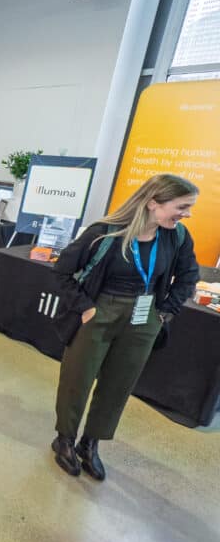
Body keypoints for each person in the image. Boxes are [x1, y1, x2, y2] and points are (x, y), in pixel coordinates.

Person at [50, 174, 199, 481]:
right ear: (153, 203)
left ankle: (90, 443)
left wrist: (165, 311)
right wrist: (85, 307)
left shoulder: (178, 237)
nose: (187, 214)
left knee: (119, 384)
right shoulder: (103, 233)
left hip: (145, 316)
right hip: (100, 310)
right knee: (77, 379)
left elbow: (188, 276)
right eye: (182, 206)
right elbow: (62, 271)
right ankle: (64, 438)